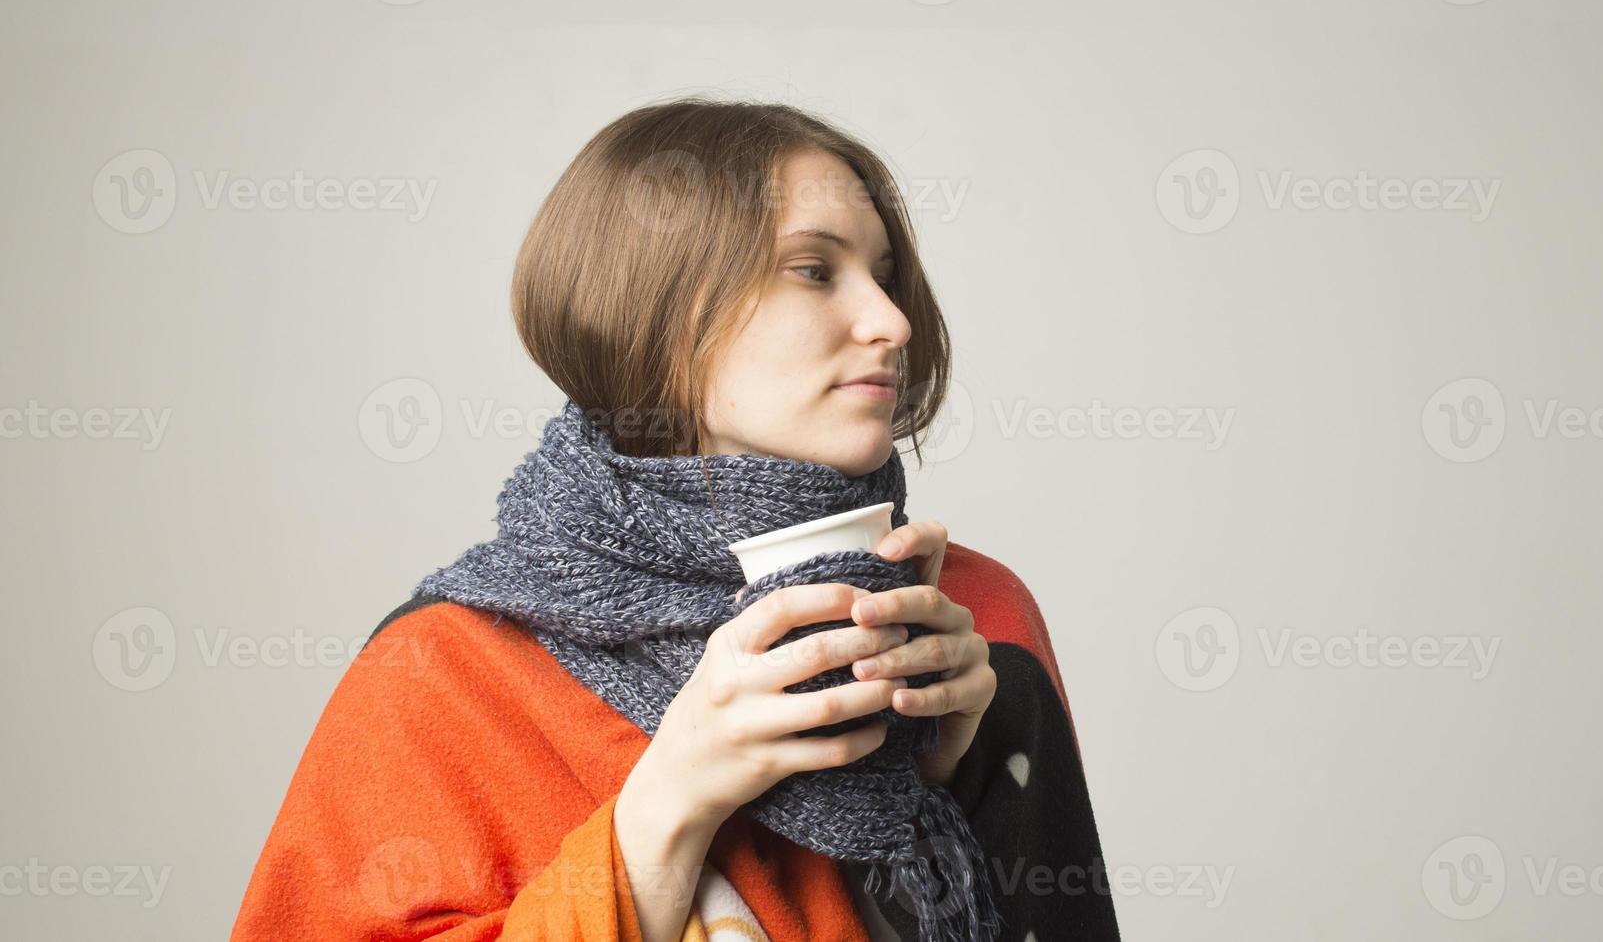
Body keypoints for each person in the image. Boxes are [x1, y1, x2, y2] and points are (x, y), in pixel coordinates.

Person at [232, 97, 1120, 941]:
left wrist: (946, 785)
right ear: (657, 308)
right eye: (815, 270)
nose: (891, 321)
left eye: (885, 278)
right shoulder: (445, 667)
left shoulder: (979, 618)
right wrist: (668, 803)